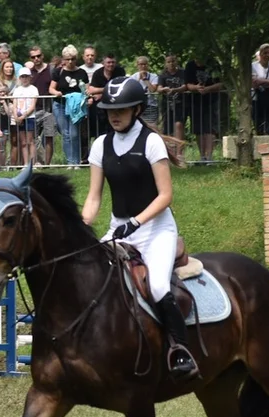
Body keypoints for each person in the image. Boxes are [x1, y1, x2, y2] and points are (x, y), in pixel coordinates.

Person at [80, 76, 198, 382]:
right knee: (92, 279)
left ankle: (181, 350)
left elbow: (165, 195)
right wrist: (80, 227)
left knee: (158, 286)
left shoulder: (151, 141)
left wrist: (135, 222)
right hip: (118, 229)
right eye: (109, 110)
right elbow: (94, 197)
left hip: (156, 230)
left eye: (121, 109)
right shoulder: (100, 145)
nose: (114, 115)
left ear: (137, 110)